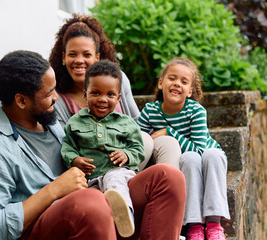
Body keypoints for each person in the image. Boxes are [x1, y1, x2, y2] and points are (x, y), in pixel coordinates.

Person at [0, 49, 186, 240]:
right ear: (21, 101)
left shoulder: (50, 123)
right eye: (48, 93)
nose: (56, 98)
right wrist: (54, 190)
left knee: (168, 178)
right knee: (90, 203)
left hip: (93, 211)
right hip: (50, 225)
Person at [49, 13, 181, 170]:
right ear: (63, 57)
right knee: (143, 140)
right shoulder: (58, 96)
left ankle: (164, 189)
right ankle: (120, 190)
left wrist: (131, 151)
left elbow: (137, 123)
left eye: (87, 54)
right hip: (95, 167)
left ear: (97, 57)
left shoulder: (118, 79)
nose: (79, 60)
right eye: (72, 54)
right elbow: (66, 144)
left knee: (167, 143)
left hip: (130, 155)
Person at [137, 57, 230, 240]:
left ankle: (214, 223)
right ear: (161, 82)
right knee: (188, 158)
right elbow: (137, 139)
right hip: (188, 162)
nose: (177, 84)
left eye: (184, 81)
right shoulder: (150, 111)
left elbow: (200, 150)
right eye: (172, 78)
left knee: (207, 155)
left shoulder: (196, 111)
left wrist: (168, 132)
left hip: (209, 159)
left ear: (190, 91)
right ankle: (194, 225)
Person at [61, 60, 145, 238]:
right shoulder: (75, 122)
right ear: (86, 94)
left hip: (121, 175)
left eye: (110, 94)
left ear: (118, 98)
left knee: (113, 178)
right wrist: (74, 160)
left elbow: (138, 148)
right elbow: (68, 147)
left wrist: (127, 154)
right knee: (86, 198)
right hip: (91, 179)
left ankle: (125, 215)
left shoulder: (126, 123)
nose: (102, 99)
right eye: (96, 93)